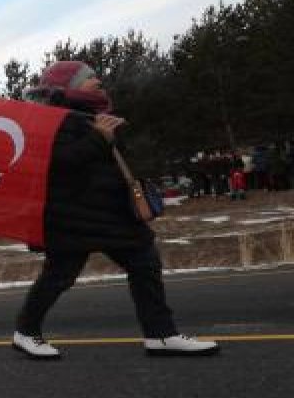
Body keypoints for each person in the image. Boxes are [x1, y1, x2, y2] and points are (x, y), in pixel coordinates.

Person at [12, 61, 219, 359]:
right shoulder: (54, 121)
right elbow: (59, 164)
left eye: (96, 75)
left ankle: (161, 335)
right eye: (88, 78)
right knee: (60, 276)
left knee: (144, 262)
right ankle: (26, 332)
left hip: (109, 214)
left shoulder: (91, 116)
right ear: (68, 87)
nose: (98, 80)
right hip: (73, 218)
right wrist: (99, 139)